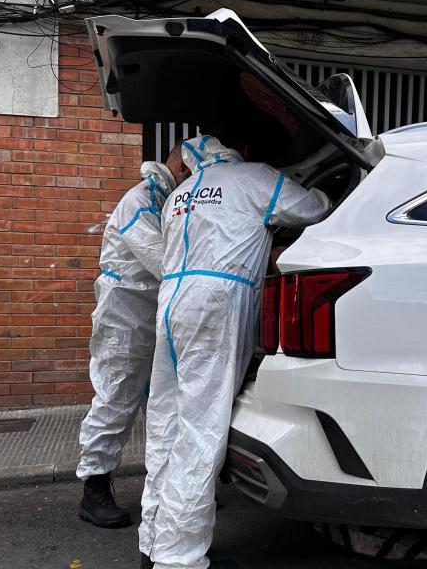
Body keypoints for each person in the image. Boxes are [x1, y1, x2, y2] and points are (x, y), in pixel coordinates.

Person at [139, 134, 330, 569]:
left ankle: (153, 540)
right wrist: (330, 191)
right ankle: (178, 558)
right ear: (236, 152)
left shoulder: (181, 194)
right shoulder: (253, 178)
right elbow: (315, 209)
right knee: (200, 428)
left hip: (171, 306)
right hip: (215, 306)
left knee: (167, 422)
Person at [77, 146, 190, 529]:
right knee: (116, 397)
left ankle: (173, 492)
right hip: (124, 318)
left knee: (164, 405)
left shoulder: (163, 201)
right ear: (181, 167)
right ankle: (94, 489)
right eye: (194, 174)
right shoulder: (140, 202)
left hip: (151, 315)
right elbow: (162, 260)